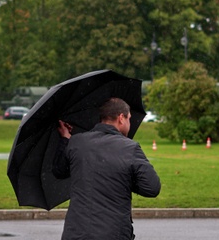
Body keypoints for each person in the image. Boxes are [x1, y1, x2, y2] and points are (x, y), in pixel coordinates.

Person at [53, 97, 161, 240]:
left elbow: (59, 171)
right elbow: (152, 188)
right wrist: (124, 180)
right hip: (113, 232)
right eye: (129, 118)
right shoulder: (129, 148)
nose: (129, 123)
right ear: (121, 118)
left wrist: (65, 139)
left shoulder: (77, 142)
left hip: (76, 232)